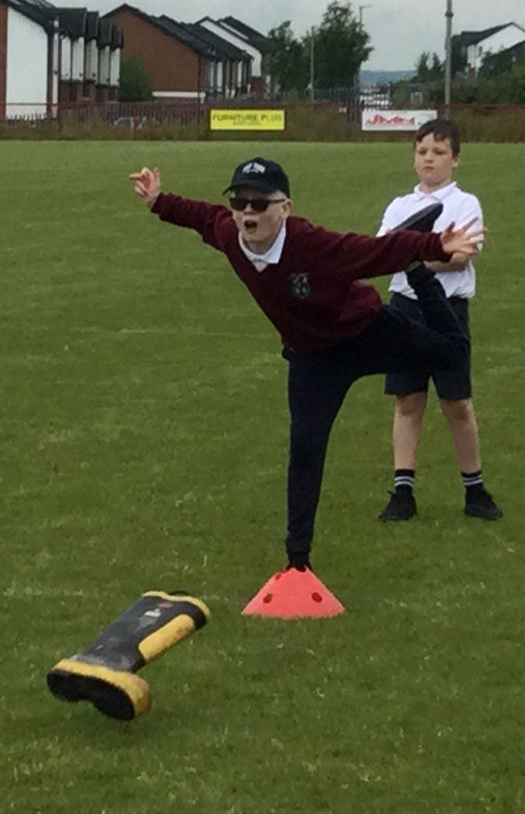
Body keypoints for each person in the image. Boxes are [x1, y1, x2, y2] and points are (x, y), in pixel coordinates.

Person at [131, 156, 484, 578]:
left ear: (286, 208)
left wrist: (429, 248)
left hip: (364, 330)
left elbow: (370, 252)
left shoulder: (308, 242)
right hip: (312, 359)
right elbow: (201, 216)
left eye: (261, 204)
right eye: (241, 201)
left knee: (453, 354)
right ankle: (297, 564)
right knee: (305, 450)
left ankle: (418, 274)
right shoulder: (229, 232)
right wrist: (157, 201)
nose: (248, 212)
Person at [374, 119, 500, 523]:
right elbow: (381, 252)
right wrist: (428, 255)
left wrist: (410, 257)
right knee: (407, 399)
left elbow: (461, 255)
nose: (429, 159)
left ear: (455, 159)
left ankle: (474, 489)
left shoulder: (465, 203)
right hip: (404, 307)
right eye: (422, 151)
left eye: (439, 151)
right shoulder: (399, 206)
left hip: (446, 311)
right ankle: (402, 491)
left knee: (456, 401)